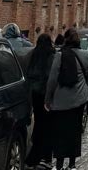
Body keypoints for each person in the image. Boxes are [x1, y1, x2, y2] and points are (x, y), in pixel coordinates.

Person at [45, 29, 88, 170]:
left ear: (66, 40)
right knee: (75, 131)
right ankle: (72, 164)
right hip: (79, 99)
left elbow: (52, 79)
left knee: (60, 132)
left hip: (61, 101)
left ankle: (59, 165)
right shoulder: (86, 55)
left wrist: (48, 99)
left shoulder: (60, 56)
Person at [24, 34, 55, 168]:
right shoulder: (52, 55)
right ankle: (45, 156)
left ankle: (34, 156)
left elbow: (28, 74)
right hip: (46, 94)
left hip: (35, 94)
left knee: (39, 123)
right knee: (48, 125)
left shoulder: (33, 55)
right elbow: (51, 76)